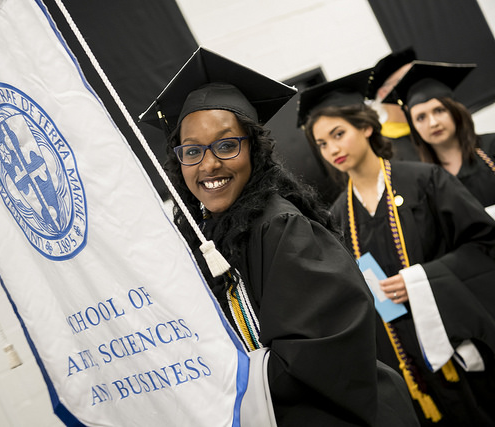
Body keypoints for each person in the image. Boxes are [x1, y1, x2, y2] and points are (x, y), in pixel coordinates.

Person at [140, 47, 418, 427]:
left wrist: (209, 378)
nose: (208, 164)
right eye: (192, 151)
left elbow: (319, 357)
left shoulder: (281, 227)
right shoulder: (207, 236)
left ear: (254, 150)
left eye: (226, 144)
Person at [300, 70, 495, 426]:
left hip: (464, 346)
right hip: (409, 365)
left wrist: (423, 280)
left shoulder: (426, 181)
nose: (332, 150)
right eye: (322, 144)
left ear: (367, 128)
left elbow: (485, 245)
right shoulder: (337, 218)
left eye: (338, 134)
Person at [383, 60, 495, 215]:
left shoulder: (491, 147)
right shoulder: (420, 178)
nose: (433, 123)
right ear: (414, 127)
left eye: (439, 110)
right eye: (421, 117)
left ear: (455, 111)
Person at [366, 48, 420, 161]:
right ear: (383, 93)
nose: (415, 84)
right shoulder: (379, 144)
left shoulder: (431, 125)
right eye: (405, 79)